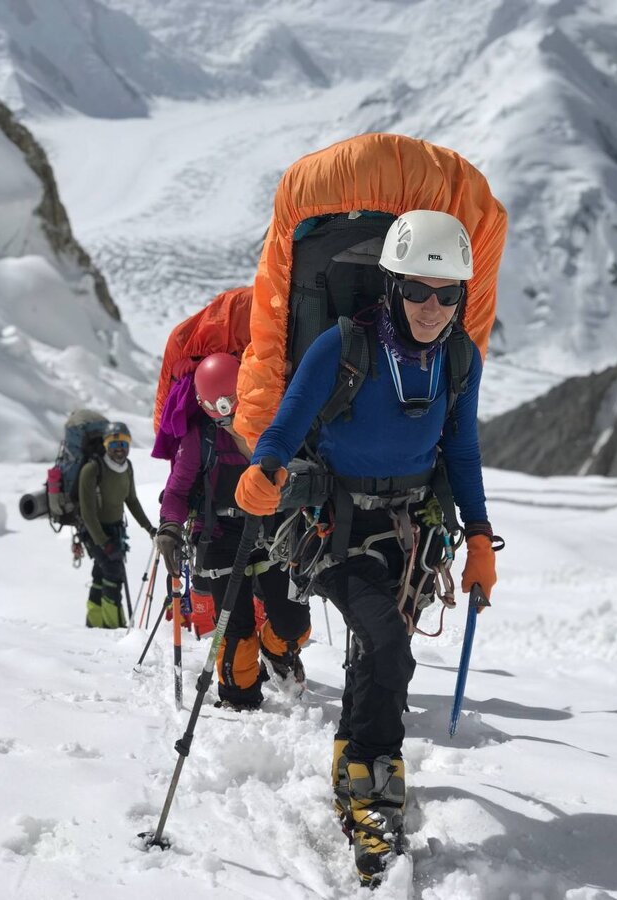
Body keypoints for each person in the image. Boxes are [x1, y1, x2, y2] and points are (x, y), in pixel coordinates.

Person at [234, 210, 499, 883]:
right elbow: (286, 425)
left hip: (409, 534)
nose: (431, 308)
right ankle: (371, 782)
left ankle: (359, 764)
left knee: (373, 649)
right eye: (415, 291)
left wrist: (476, 538)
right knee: (386, 645)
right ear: (389, 286)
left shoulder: (457, 359)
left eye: (445, 295)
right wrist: (262, 472)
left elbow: (460, 449)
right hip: (335, 527)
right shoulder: (342, 345)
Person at [155, 353, 312, 711]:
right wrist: (170, 527)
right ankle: (240, 701)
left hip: (272, 536)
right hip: (222, 541)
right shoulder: (201, 440)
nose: (227, 416)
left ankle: (278, 652)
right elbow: (178, 491)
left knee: (293, 621)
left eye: (231, 404)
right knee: (236, 631)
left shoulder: (273, 426)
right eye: (217, 408)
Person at [79, 421, 156, 628]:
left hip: (115, 531)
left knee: (101, 573)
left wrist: (148, 527)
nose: (119, 449)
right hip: (95, 532)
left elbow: (131, 500)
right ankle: (113, 627)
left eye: (123, 444)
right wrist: (103, 542)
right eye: (114, 445)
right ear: (105, 446)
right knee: (113, 574)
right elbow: (88, 513)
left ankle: (94, 623)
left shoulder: (127, 467)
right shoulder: (92, 469)